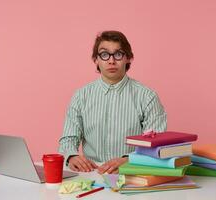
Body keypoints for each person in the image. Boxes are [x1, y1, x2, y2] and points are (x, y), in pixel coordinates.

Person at [59, 30, 167, 174]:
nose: (111, 61)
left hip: (131, 172)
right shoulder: (81, 96)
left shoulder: (147, 97)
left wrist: (129, 159)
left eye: (118, 54)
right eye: (104, 54)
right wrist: (71, 156)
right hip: (91, 173)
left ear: (128, 58)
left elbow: (156, 144)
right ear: (96, 60)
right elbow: (68, 138)